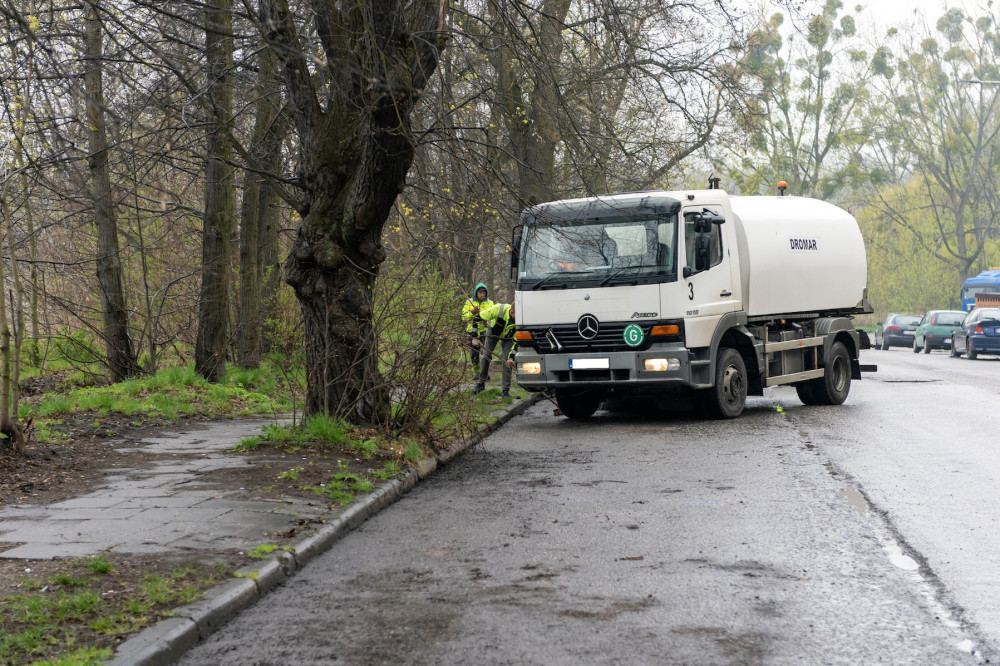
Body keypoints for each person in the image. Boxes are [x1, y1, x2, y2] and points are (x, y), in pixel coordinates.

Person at [473, 302, 517, 398]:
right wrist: (474, 337)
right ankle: (481, 382)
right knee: (486, 355)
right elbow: (477, 317)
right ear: (512, 312)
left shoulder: (520, 319)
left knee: (507, 360)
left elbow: (517, 341)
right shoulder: (498, 309)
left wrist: (511, 357)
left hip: (508, 338)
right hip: (493, 333)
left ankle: (505, 390)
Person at [461, 283, 493, 373]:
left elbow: (493, 317)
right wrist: (472, 312)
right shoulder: (469, 302)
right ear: (476, 293)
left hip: (485, 331)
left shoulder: (490, 303)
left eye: (484, 293)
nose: (482, 295)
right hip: (472, 332)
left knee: (486, 353)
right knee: (474, 353)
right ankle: (476, 372)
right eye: (480, 292)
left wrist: (487, 322)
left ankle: (484, 372)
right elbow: (464, 317)